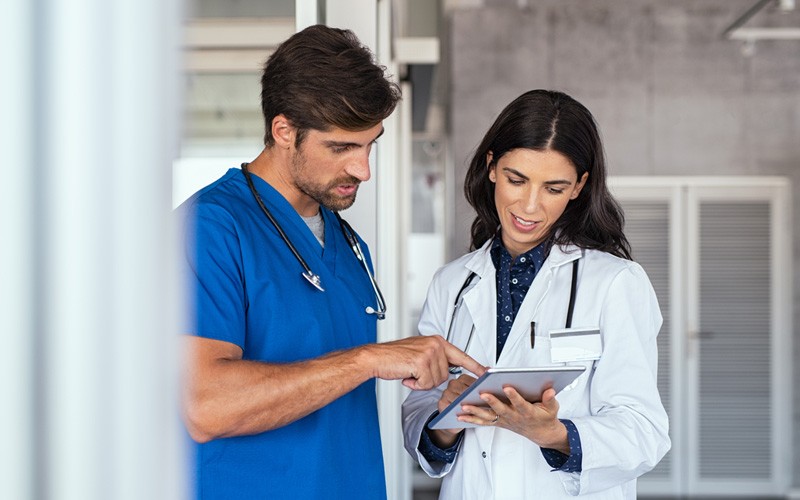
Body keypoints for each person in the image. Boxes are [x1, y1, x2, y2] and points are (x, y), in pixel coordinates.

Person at [178, 25, 484, 500]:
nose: (362, 169)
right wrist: (366, 360)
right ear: (284, 131)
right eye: (341, 148)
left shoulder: (348, 243)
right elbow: (205, 405)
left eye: (370, 145)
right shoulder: (209, 229)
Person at [402, 89, 670, 499]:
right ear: (492, 167)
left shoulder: (616, 282)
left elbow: (644, 432)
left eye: (554, 188)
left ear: (579, 187)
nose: (529, 206)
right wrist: (446, 421)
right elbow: (417, 414)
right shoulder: (452, 283)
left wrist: (557, 435)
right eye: (516, 180)